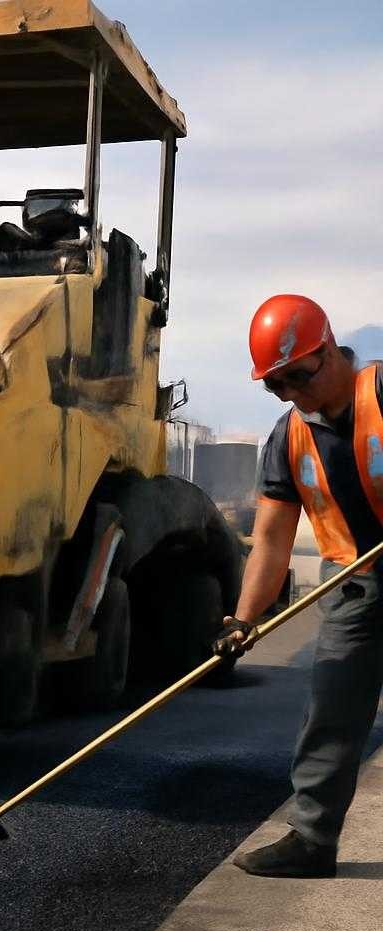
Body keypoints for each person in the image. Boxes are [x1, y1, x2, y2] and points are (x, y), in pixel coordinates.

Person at [215, 294, 381, 878]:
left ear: (329, 348)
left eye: (299, 377)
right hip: (356, 583)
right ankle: (313, 841)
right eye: (277, 385)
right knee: (332, 708)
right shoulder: (287, 439)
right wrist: (243, 619)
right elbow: (272, 541)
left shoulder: (382, 395)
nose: (293, 392)